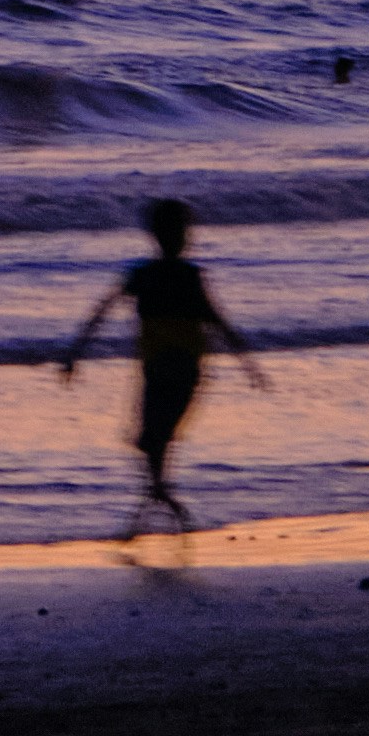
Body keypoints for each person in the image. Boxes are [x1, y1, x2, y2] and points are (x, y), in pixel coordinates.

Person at [60, 197, 264, 535]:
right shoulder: (178, 275)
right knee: (154, 437)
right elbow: (217, 320)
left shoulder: (150, 275)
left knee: (153, 437)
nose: (185, 237)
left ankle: (158, 500)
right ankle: (161, 499)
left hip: (167, 367)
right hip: (178, 367)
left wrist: (74, 353)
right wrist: (248, 363)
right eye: (183, 231)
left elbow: (101, 311)